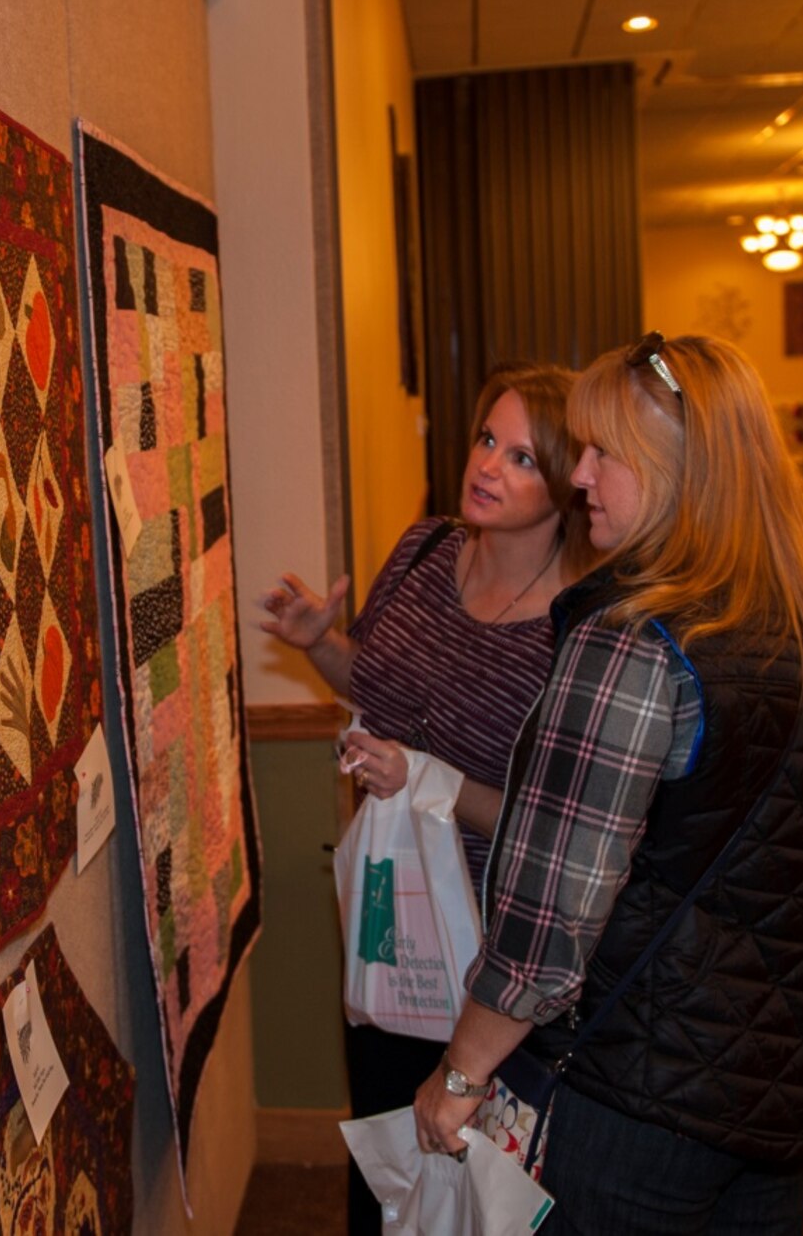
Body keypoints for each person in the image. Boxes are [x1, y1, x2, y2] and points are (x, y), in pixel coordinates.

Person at [412, 334, 803, 1235]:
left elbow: (551, 912)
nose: (579, 473)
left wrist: (461, 1074)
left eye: (604, 452)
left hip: (633, 1092)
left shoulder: (632, 638)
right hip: (777, 1094)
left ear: (675, 470)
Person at [257, 362, 592, 1236]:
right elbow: (379, 692)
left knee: (481, 1192)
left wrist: (429, 780)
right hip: (391, 917)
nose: (488, 466)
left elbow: (557, 827)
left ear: (568, 484)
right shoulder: (423, 549)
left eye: (523, 457)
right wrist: (320, 645)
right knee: (383, 1163)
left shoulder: (581, 623)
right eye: (488, 439)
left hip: (495, 952)